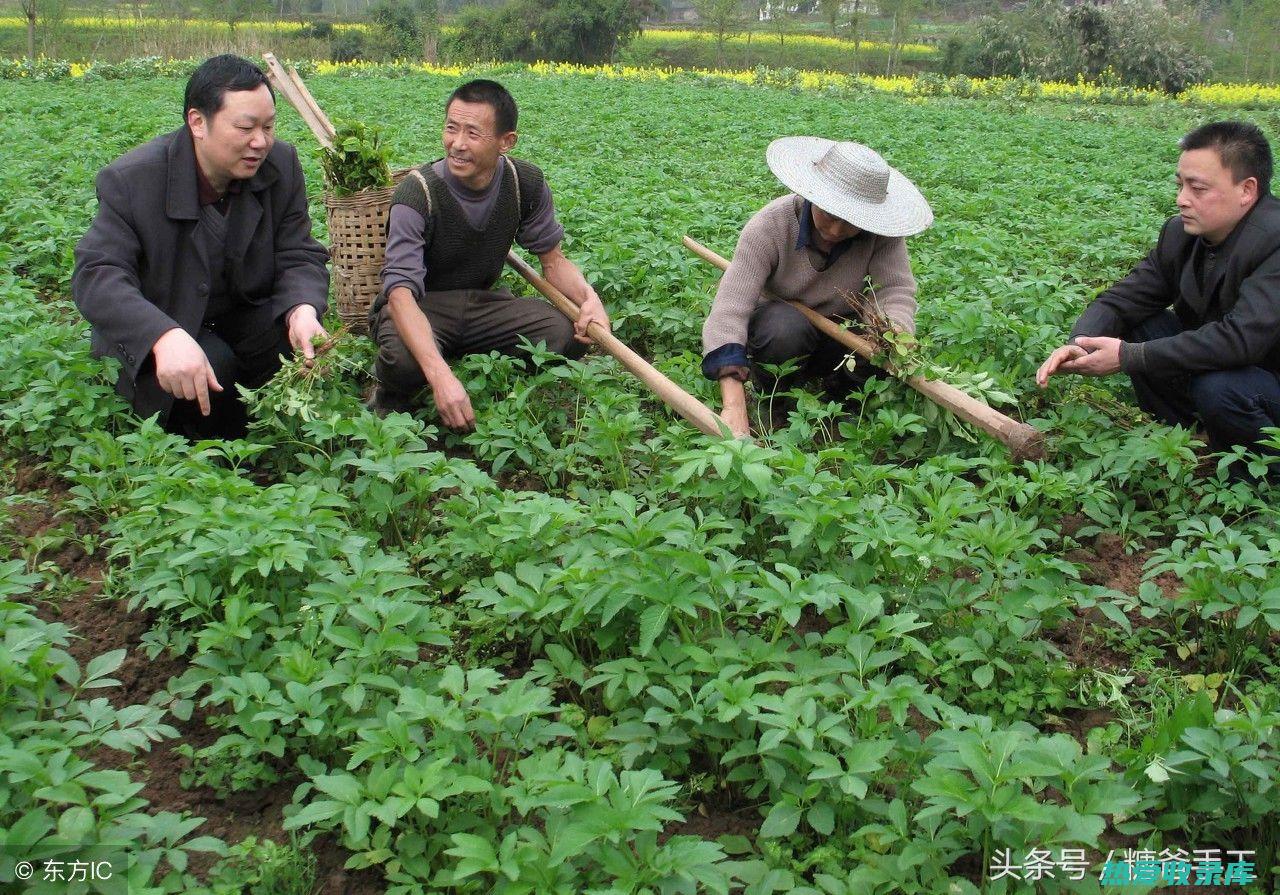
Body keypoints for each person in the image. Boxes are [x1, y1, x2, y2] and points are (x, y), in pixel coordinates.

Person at [73, 54, 330, 440]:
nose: (259, 142)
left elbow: (299, 252)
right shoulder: (133, 180)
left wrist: (303, 309)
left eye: (268, 127)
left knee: (296, 347)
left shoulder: (280, 165)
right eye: (245, 127)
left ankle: (271, 441)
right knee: (214, 368)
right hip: (166, 317)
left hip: (238, 313)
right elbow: (97, 273)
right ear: (197, 122)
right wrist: (162, 335)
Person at [369, 79, 610, 430]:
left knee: (564, 333)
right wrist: (441, 378)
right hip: (421, 305)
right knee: (403, 362)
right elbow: (401, 294)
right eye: (451, 128)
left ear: (506, 142)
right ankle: (397, 386)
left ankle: (459, 359)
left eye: (473, 133)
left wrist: (590, 298)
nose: (457, 144)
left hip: (482, 304)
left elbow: (553, 262)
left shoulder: (524, 183)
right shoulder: (417, 194)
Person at [1037, 121, 1279, 460]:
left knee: (1221, 389)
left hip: (1268, 381)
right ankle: (1189, 441)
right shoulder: (1181, 234)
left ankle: (1256, 476)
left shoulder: (1275, 239)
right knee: (1140, 326)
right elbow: (1123, 300)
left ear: (1246, 190)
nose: (1182, 200)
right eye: (1180, 186)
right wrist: (1080, 342)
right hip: (1225, 370)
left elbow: (1241, 340)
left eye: (1198, 189)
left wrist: (1129, 356)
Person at [701, 138, 934, 437]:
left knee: (877, 343)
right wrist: (733, 404)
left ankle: (843, 400)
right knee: (784, 327)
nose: (836, 231)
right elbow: (730, 310)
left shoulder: (881, 237)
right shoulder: (770, 227)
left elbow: (894, 290)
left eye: (851, 221)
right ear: (814, 195)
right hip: (780, 335)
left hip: (838, 337)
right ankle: (775, 398)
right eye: (830, 215)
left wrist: (893, 331)